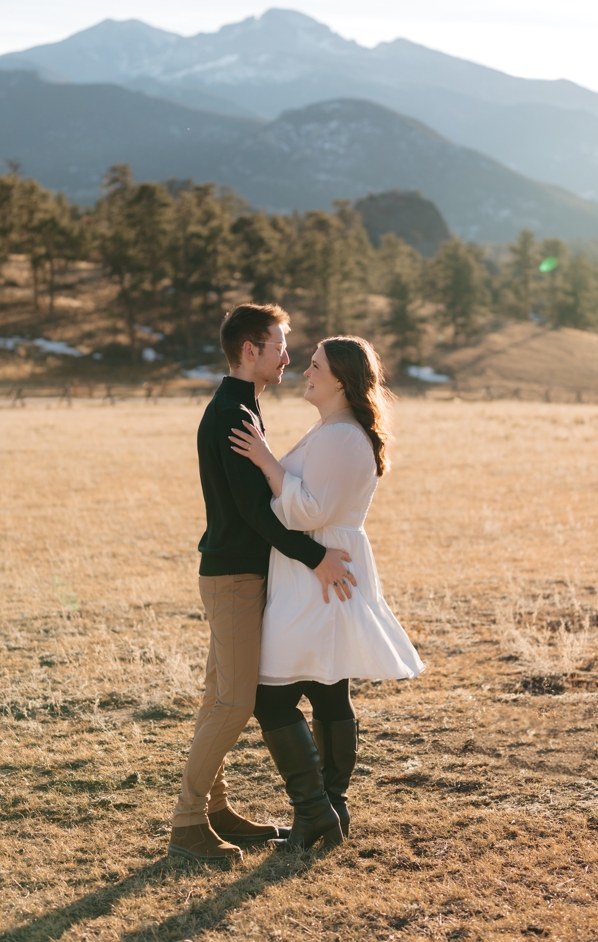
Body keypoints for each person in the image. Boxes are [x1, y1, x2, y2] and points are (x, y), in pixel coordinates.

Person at [168, 304, 358, 866]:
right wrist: (315, 555)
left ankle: (217, 811)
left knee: (217, 699)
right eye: (279, 346)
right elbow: (255, 511)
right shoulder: (232, 412)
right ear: (251, 350)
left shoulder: (243, 405)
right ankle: (186, 824)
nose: (287, 357)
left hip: (238, 574)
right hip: (232, 578)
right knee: (233, 702)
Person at [229, 335, 425, 850]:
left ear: (339, 378)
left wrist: (267, 462)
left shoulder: (341, 436)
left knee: (272, 698)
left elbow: (306, 512)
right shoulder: (332, 429)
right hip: (316, 573)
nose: (304, 371)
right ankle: (330, 807)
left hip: (322, 574)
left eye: (314, 365)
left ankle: (318, 808)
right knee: (326, 686)